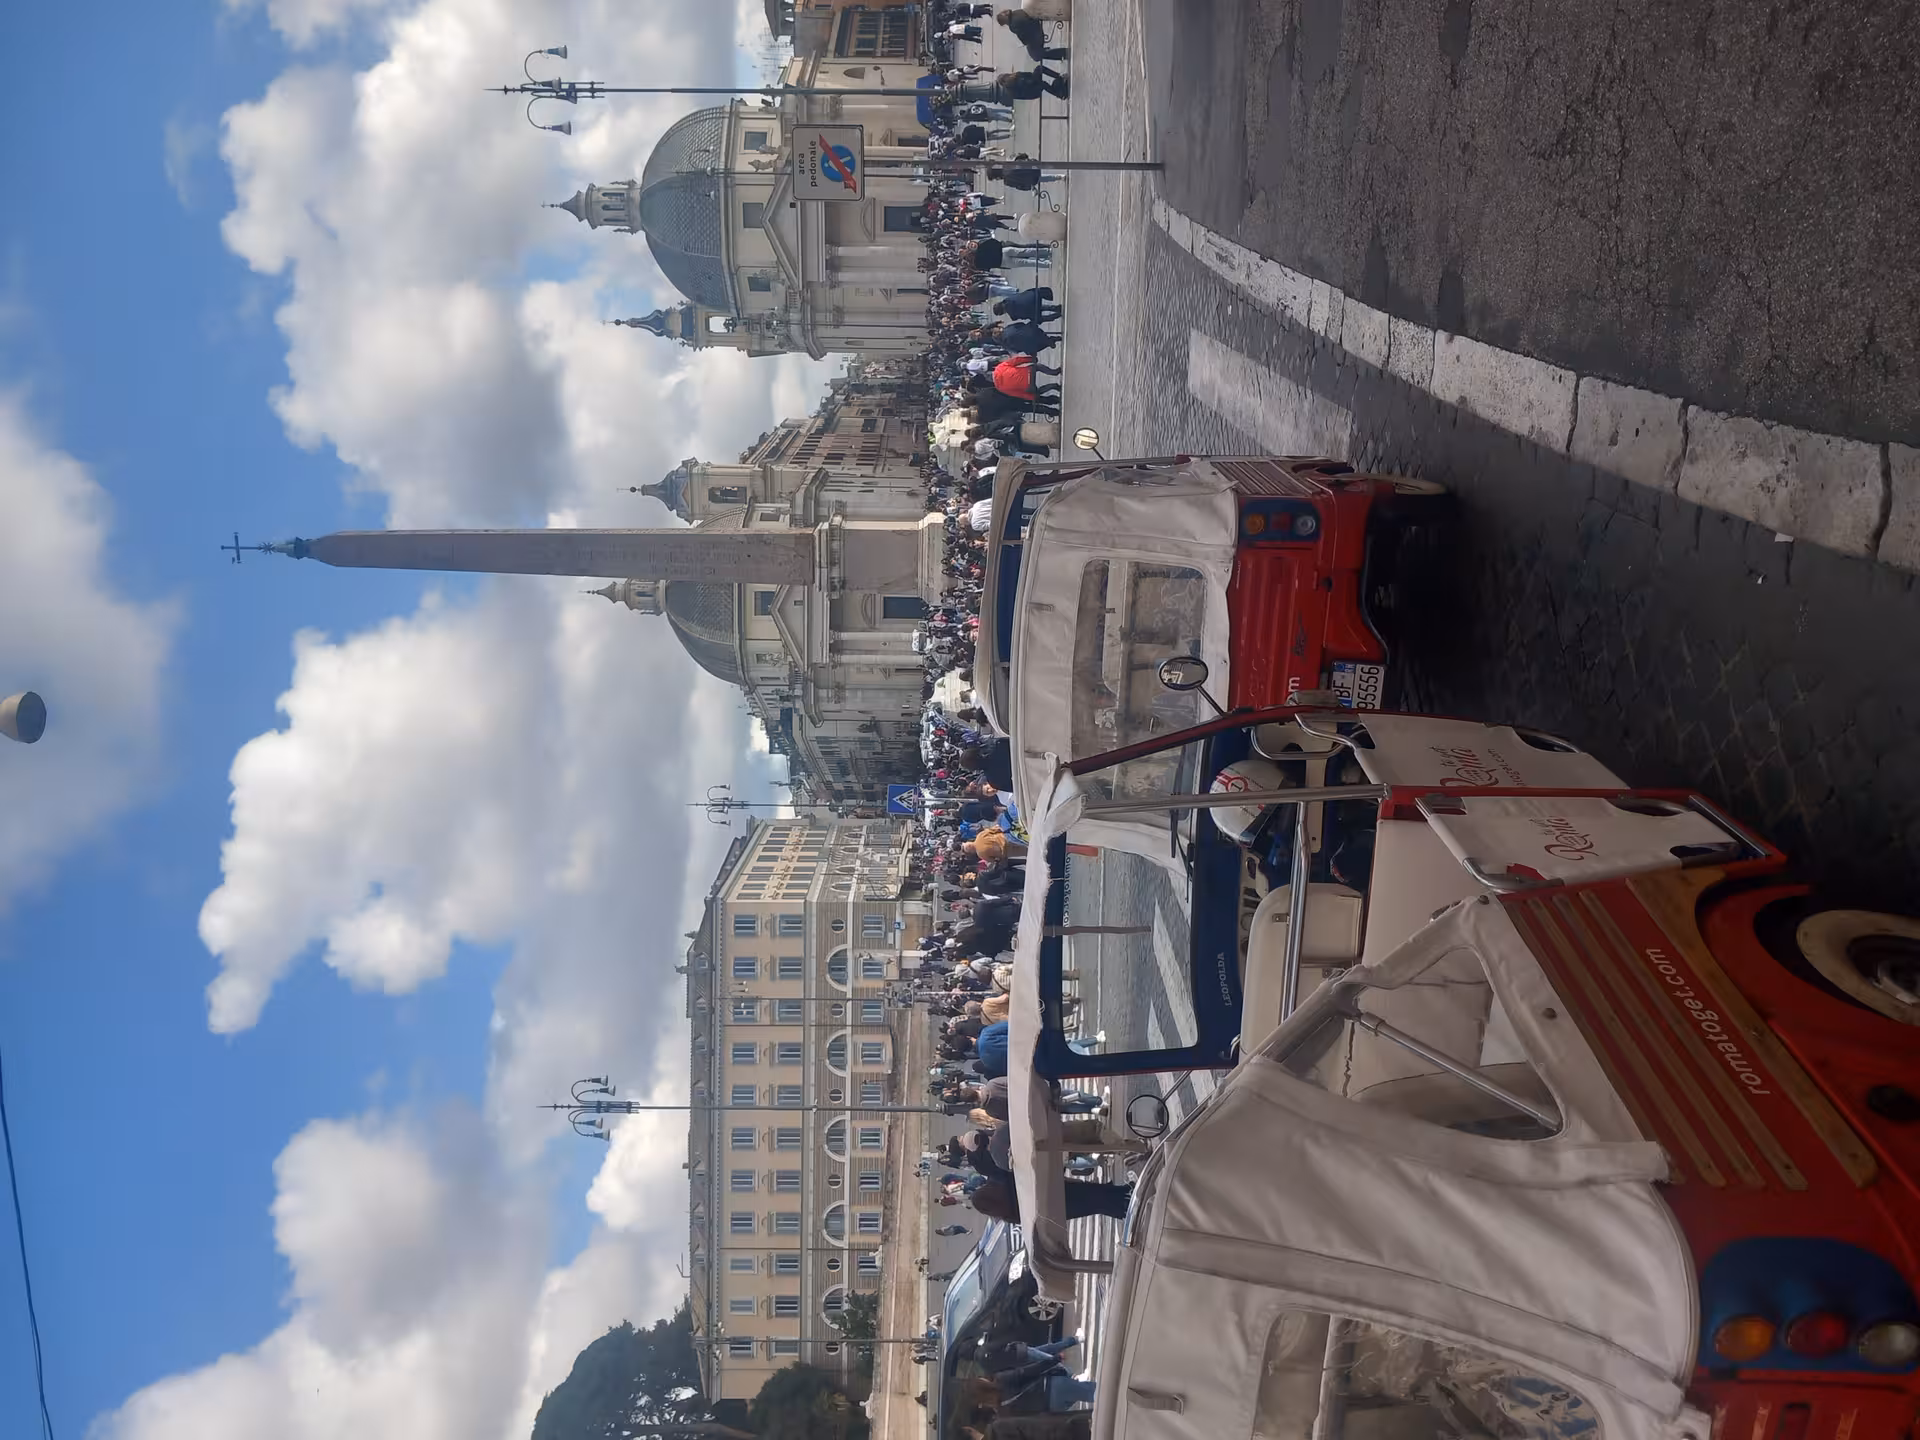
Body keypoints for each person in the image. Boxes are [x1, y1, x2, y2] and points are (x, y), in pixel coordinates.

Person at [996, 8, 1069, 61]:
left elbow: (1024, 38)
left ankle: (1062, 53)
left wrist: (1025, 43)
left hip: (1036, 35)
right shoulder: (1016, 12)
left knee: (1036, 56)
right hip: (1036, 26)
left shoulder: (1012, 26)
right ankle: (1059, 53)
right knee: (1035, 52)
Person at [997, 65, 1070, 102]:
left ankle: (1059, 94)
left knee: (1042, 84)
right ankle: (1059, 76)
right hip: (1032, 84)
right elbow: (1029, 75)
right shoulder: (1016, 75)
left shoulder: (1010, 93)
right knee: (1039, 69)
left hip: (1033, 94)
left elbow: (1023, 97)